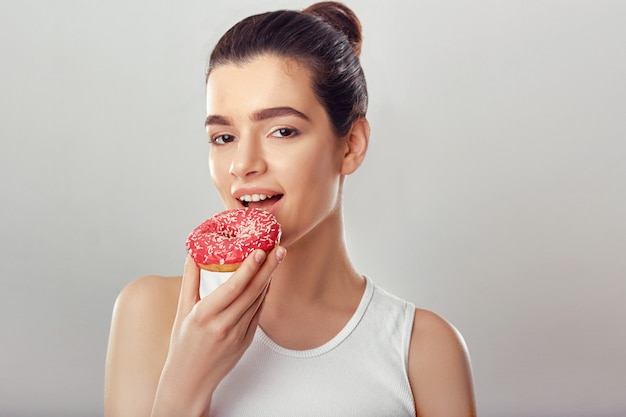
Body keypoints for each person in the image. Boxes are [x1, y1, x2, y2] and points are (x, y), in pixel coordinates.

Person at [104, 2, 476, 416]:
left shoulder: (422, 350)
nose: (243, 164)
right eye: (223, 137)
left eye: (282, 131)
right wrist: (184, 383)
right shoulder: (152, 312)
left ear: (351, 145)